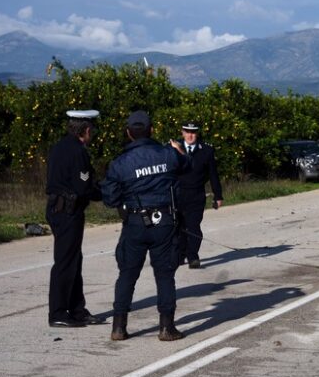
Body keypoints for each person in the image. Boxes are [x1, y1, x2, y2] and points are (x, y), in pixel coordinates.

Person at [101, 111, 188, 341]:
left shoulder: (120, 163)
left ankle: (119, 327)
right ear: (151, 130)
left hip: (135, 223)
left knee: (127, 275)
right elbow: (186, 168)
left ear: (129, 134)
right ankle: (166, 327)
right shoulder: (169, 154)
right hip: (165, 223)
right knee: (165, 275)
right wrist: (180, 152)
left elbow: (110, 198)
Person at [45, 110, 104, 328]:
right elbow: (83, 187)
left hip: (58, 208)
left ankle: (77, 309)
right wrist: (107, 193)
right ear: (86, 130)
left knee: (73, 260)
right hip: (68, 211)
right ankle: (58, 312)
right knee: (65, 262)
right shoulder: (78, 152)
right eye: (92, 130)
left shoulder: (60, 146)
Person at [174, 122, 223, 269]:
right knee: (178, 226)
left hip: (196, 194)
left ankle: (193, 256)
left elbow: (213, 175)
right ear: (182, 132)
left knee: (193, 226)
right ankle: (180, 254)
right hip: (177, 193)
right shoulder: (172, 148)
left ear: (197, 133)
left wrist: (218, 196)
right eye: (187, 132)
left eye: (193, 132)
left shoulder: (206, 150)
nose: (190, 135)